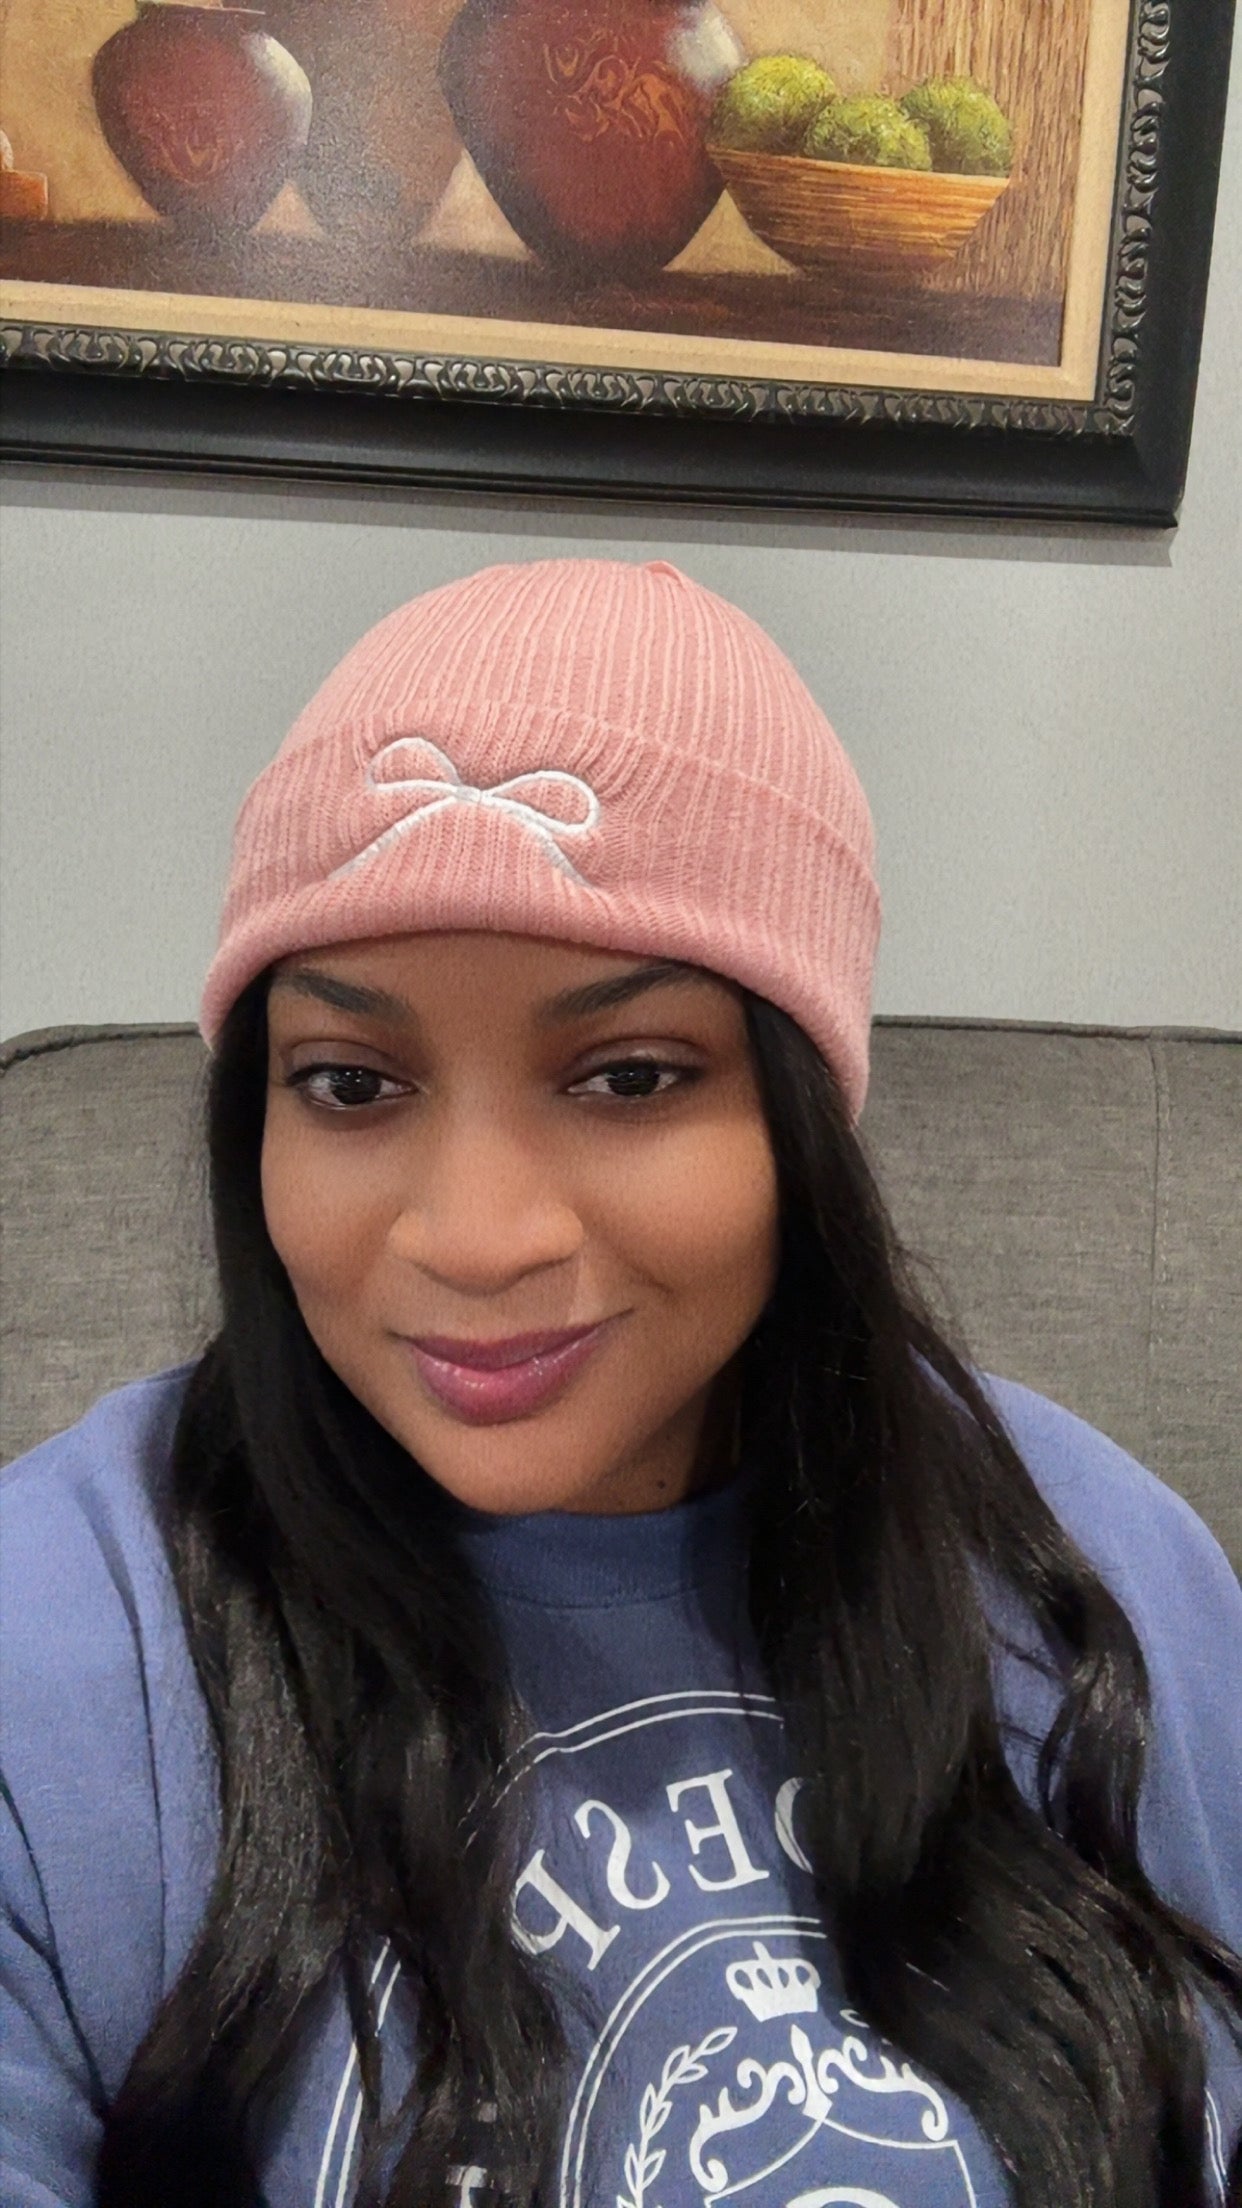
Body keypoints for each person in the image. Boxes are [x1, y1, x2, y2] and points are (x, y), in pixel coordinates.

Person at [1, 557, 1239, 2208]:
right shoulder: (58, 1642)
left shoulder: (1104, 1567)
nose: (475, 1236)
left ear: (798, 1121)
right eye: (351, 1084)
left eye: (629, 1077)